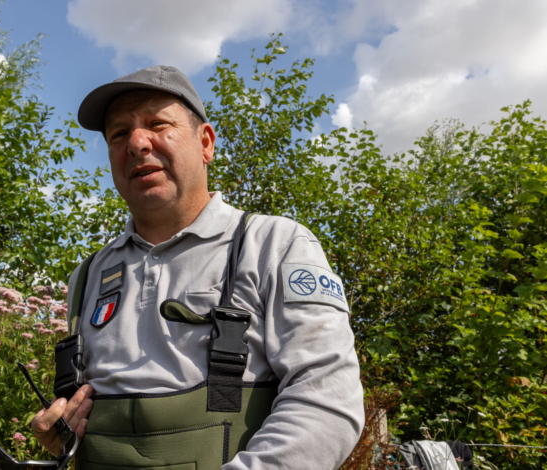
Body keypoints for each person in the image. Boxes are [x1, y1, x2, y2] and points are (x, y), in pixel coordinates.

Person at [30, 65, 364, 469]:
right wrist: (62, 434)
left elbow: (328, 400)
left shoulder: (273, 246)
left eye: (157, 123)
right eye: (119, 134)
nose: (136, 142)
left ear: (205, 143)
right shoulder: (87, 277)